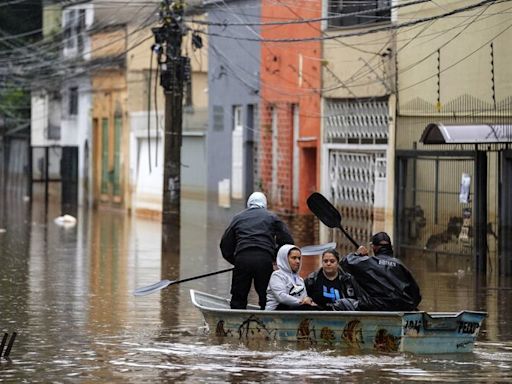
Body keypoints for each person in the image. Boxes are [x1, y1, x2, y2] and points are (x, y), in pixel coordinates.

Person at [220, 192, 294, 309]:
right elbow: (288, 242)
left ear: (249, 204)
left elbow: (225, 246)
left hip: (242, 259)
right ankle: (268, 320)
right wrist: (275, 257)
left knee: (239, 297)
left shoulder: (237, 218)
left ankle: (236, 320)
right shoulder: (272, 217)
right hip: (264, 260)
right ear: (264, 204)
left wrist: (236, 261)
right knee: (267, 297)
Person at [340, 232, 422, 311]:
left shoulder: (368, 262)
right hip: (401, 306)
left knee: (341, 304)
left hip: (375, 306)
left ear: (374, 247)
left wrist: (358, 254)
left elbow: (344, 262)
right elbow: (416, 295)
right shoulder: (400, 265)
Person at [265, 244, 317, 310]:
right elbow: (281, 297)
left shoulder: (300, 279)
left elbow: (305, 298)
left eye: (299, 258)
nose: (298, 261)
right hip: (275, 313)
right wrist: (301, 302)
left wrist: (308, 300)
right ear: (285, 259)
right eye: (294, 258)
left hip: (294, 313)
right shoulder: (277, 275)